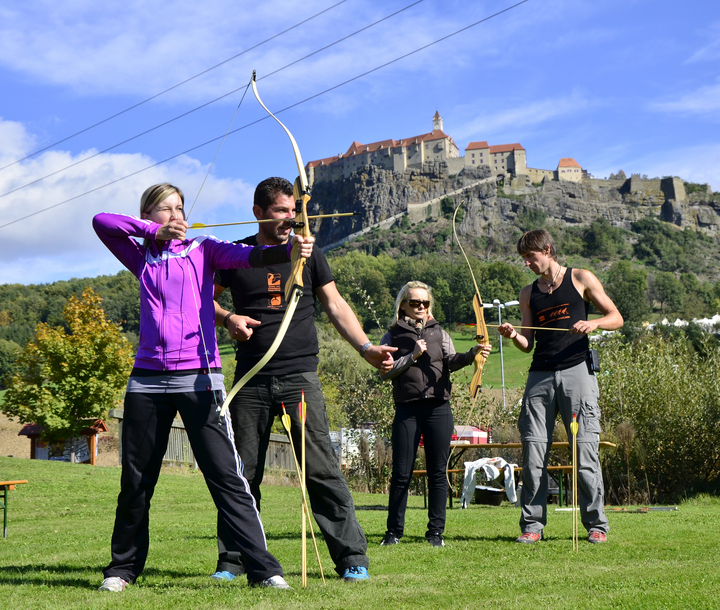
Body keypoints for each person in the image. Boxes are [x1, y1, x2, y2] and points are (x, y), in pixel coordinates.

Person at [92, 183, 314, 592]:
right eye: (166, 210)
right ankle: (121, 570)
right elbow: (101, 222)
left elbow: (250, 256)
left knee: (227, 477)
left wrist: (290, 251)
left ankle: (264, 570)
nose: (177, 215)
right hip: (146, 380)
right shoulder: (141, 253)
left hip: (200, 377)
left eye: (180, 208)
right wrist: (150, 233)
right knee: (137, 480)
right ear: (148, 215)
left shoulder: (204, 247)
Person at [212, 177, 396, 583]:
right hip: (252, 376)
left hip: (299, 376)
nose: (290, 219)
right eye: (280, 211)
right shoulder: (236, 254)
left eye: (294, 211)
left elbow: (334, 304)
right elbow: (203, 299)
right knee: (242, 473)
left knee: (322, 469)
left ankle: (351, 559)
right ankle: (232, 562)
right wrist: (229, 319)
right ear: (258, 212)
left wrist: (366, 348)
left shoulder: (308, 253)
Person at [497, 229, 623, 544]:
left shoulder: (581, 278)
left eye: (530, 257)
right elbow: (527, 344)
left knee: (584, 453)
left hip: (577, 372)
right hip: (539, 375)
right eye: (523, 259)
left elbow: (616, 317)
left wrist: (594, 323)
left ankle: (596, 526)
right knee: (533, 454)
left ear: (548, 250)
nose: (526, 264)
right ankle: (532, 528)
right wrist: (513, 336)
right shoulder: (528, 294)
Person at [378, 281, 492, 548]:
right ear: (403, 304)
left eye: (425, 303)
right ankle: (393, 532)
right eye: (415, 302)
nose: (420, 307)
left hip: (439, 409)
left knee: (438, 472)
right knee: (401, 474)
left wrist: (473, 354)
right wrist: (413, 356)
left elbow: (451, 360)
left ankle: (435, 533)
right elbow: (385, 372)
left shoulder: (439, 332)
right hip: (407, 409)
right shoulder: (391, 335)